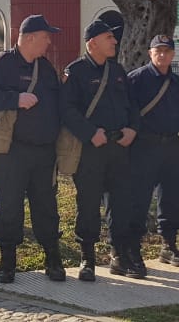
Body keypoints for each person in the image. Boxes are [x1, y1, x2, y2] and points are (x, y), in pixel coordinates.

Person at [0, 14, 65, 284]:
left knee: (46, 205)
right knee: (9, 206)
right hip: (11, 151)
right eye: (46, 36)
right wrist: (15, 99)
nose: (49, 42)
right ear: (30, 38)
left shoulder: (46, 68)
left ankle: (53, 257)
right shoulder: (2, 65)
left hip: (43, 152)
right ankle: (7, 262)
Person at [61, 20, 141, 280]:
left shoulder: (117, 70)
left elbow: (132, 105)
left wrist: (133, 129)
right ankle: (88, 257)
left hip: (119, 147)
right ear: (92, 42)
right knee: (88, 203)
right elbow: (67, 110)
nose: (114, 42)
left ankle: (119, 254)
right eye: (109, 38)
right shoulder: (75, 72)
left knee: (121, 203)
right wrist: (88, 133)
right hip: (91, 149)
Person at [127, 35, 179, 267]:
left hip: (171, 145)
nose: (162, 55)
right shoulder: (136, 79)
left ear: (173, 54)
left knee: (171, 197)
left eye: (167, 51)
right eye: (158, 51)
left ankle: (169, 245)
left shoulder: (176, 81)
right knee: (139, 199)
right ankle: (133, 248)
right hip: (144, 145)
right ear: (150, 53)